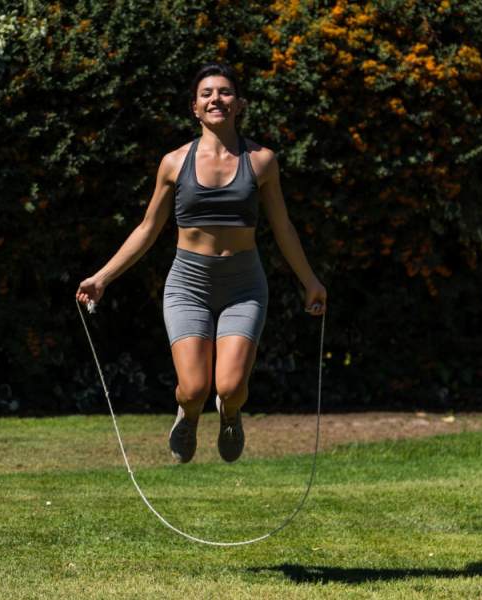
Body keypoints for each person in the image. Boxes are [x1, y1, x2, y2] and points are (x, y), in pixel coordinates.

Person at [75, 63, 327, 464]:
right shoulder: (174, 163)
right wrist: (102, 277)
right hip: (188, 285)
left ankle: (230, 415)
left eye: (225, 92)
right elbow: (146, 229)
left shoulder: (262, 161)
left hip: (243, 285)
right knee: (193, 389)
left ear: (239, 104)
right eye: (207, 93)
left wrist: (310, 281)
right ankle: (189, 415)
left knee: (229, 387)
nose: (216, 99)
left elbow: (284, 229)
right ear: (194, 107)